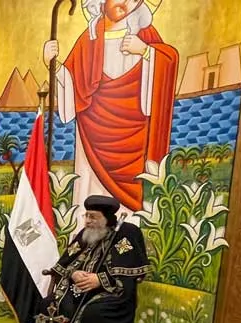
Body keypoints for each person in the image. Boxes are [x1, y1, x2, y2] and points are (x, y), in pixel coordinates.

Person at [42, 0, 178, 222]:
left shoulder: (145, 34)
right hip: (93, 136)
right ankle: (84, 237)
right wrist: (53, 65)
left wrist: (145, 51)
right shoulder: (90, 38)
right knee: (91, 192)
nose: (125, 3)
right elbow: (73, 83)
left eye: (134, 0)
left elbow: (168, 62)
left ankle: (127, 238)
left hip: (134, 141)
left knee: (128, 218)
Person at [41, 195, 150, 323]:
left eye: (92, 217)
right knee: (48, 303)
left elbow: (130, 272)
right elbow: (66, 262)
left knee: (93, 313)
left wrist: (100, 279)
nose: (87, 221)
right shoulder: (85, 233)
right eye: (86, 216)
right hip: (77, 289)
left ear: (107, 218)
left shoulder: (126, 233)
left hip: (111, 292)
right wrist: (73, 273)